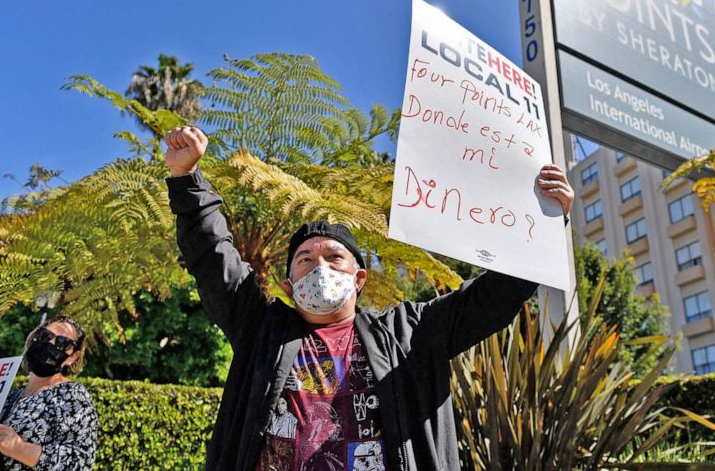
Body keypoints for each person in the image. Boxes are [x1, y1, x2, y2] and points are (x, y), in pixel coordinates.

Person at [164, 125, 574, 470]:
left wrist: (546, 222)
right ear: (287, 286)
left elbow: (492, 299)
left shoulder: (409, 334)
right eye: (305, 260)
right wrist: (187, 179)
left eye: (334, 257)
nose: (319, 267)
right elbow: (213, 258)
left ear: (359, 279)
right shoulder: (261, 331)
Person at [0, 316, 98, 471]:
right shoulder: (10, 396)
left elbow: (81, 461)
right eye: (45, 336)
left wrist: (19, 447)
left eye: (63, 343)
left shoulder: (72, 395)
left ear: (73, 357)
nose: (50, 344)